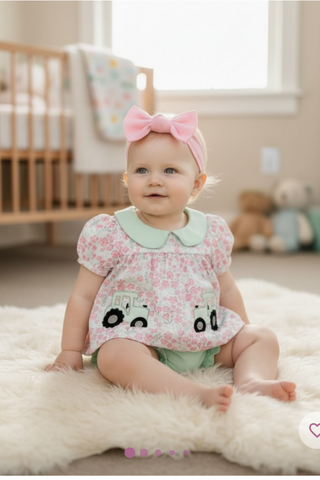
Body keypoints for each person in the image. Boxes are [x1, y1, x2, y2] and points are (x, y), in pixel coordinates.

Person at [45, 106, 296, 412]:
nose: (154, 180)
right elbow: (83, 295)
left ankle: (252, 380)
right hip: (141, 340)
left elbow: (227, 289)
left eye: (169, 170)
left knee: (262, 337)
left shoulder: (211, 232)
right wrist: (70, 349)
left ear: (197, 183)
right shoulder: (111, 232)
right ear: (127, 179)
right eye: (141, 171)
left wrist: (239, 332)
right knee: (115, 355)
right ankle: (188, 391)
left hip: (205, 339)